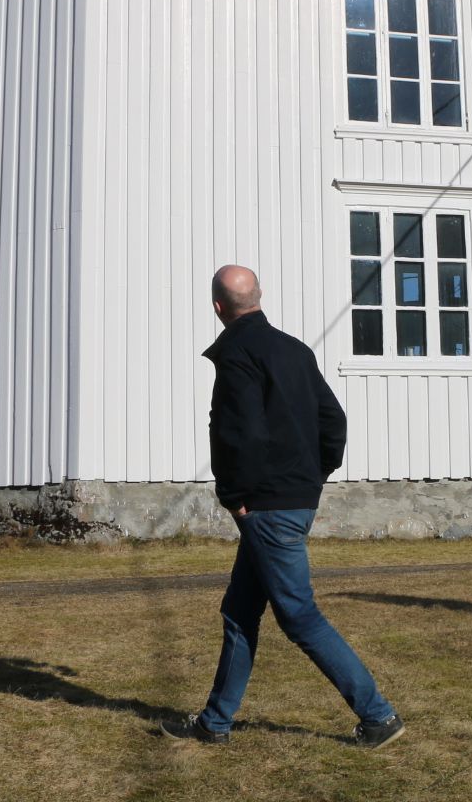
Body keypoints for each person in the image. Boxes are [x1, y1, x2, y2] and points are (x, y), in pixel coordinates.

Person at [159, 265, 405, 749]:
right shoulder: (296, 350)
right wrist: (313, 478)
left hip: (265, 506)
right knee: (240, 610)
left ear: (217, 307)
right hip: (291, 498)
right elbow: (333, 421)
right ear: (259, 296)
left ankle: (378, 715)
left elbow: (238, 432)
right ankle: (215, 722)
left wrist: (236, 496)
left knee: (298, 614)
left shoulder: (235, 353)